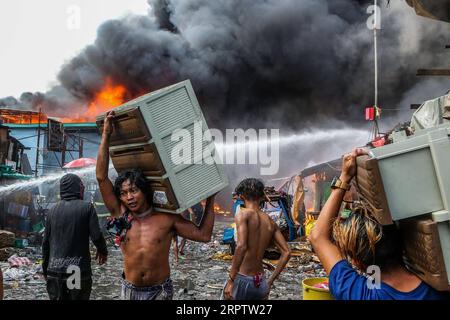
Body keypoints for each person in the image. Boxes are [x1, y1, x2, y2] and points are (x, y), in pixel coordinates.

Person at [97, 111, 217, 300]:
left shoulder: (167, 218)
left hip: (159, 292)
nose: (129, 197)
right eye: (123, 193)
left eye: (134, 190)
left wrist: (210, 200)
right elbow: (101, 177)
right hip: (129, 290)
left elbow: (204, 235)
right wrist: (106, 134)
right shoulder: (120, 213)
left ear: (145, 191)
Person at [309, 148, 446, 300]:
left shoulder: (360, 294)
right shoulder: (440, 286)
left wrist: (345, 176)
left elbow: (318, 237)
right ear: (403, 241)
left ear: (358, 263)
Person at [42, 173, 108, 300]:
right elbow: (96, 235)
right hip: (76, 272)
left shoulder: (52, 211)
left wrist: (45, 269)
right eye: (81, 186)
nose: (83, 189)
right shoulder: (87, 207)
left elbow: (45, 244)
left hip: (54, 272)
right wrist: (103, 250)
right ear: (77, 188)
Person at [223, 178, 291, 300]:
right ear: (261, 196)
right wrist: (269, 282)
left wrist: (231, 280)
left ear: (242, 196)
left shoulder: (243, 214)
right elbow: (287, 252)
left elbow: (242, 246)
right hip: (260, 282)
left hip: (242, 279)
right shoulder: (270, 221)